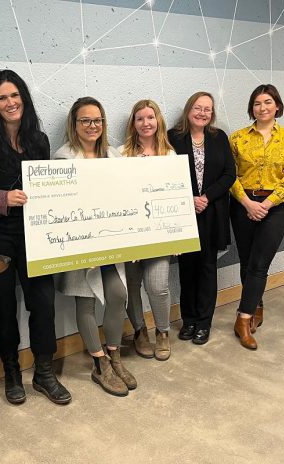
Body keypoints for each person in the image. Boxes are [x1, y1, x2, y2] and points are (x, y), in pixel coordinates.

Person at [0, 69, 71, 405]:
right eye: (2, 97)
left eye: (15, 95)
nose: (10, 102)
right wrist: (1, 199)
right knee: (3, 304)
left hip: (36, 231)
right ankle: (10, 371)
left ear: (24, 97)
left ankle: (45, 372)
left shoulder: (39, 139)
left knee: (43, 302)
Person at [53, 96, 135, 397]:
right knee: (85, 301)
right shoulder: (62, 159)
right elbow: (59, 208)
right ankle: (99, 364)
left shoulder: (114, 157)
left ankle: (114, 354)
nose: (92, 126)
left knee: (118, 294)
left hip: (110, 242)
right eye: (85, 120)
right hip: (78, 245)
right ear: (74, 125)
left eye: (97, 120)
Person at [229, 84, 284, 350]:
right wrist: (248, 202)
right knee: (247, 261)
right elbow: (230, 174)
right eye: (257, 103)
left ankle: (243, 318)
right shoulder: (237, 138)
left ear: (277, 106)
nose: (263, 108)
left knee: (260, 263)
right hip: (242, 203)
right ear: (252, 108)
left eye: (268, 102)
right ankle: (256, 305)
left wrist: (267, 204)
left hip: (276, 205)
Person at [168, 92, 236, 345]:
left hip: (212, 212)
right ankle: (189, 321)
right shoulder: (173, 138)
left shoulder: (219, 138)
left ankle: (204, 323)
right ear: (188, 110)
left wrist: (206, 197)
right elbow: (166, 175)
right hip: (184, 214)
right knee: (187, 270)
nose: (203, 113)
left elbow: (230, 174)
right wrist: (189, 198)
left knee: (207, 268)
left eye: (208, 109)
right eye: (198, 107)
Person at [118, 99, 175, 360]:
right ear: (133, 124)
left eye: (150, 117)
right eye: (139, 118)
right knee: (130, 286)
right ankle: (140, 331)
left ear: (158, 120)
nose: (145, 123)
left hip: (159, 235)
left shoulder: (170, 155)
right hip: (129, 234)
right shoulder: (120, 154)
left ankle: (163, 331)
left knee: (158, 285)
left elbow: (175, 199)